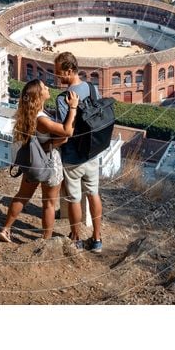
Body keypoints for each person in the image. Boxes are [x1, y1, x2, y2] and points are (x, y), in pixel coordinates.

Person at [0, 79, 79, 243]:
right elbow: (67, 131)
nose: (48, 87)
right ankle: (46, 240)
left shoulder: (27, 114)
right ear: (38, 96)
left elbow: (38, 141)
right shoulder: (41, 119)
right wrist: (73, 107)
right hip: (50, 162)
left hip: (33, 162)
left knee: (22, 196)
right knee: (49, 204)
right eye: (44, 87)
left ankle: (6, 229)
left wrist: (52, 142)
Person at [54, 52, 103, 253]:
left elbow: (67, 130)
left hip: (73, 155)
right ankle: (97, 239)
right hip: (92, 151)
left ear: (69, 70)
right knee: (93, 194)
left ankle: (76, 238)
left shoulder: (63, 98)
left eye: (60, 73)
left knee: (74, 198)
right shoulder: (93, 88)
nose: (58, 77)